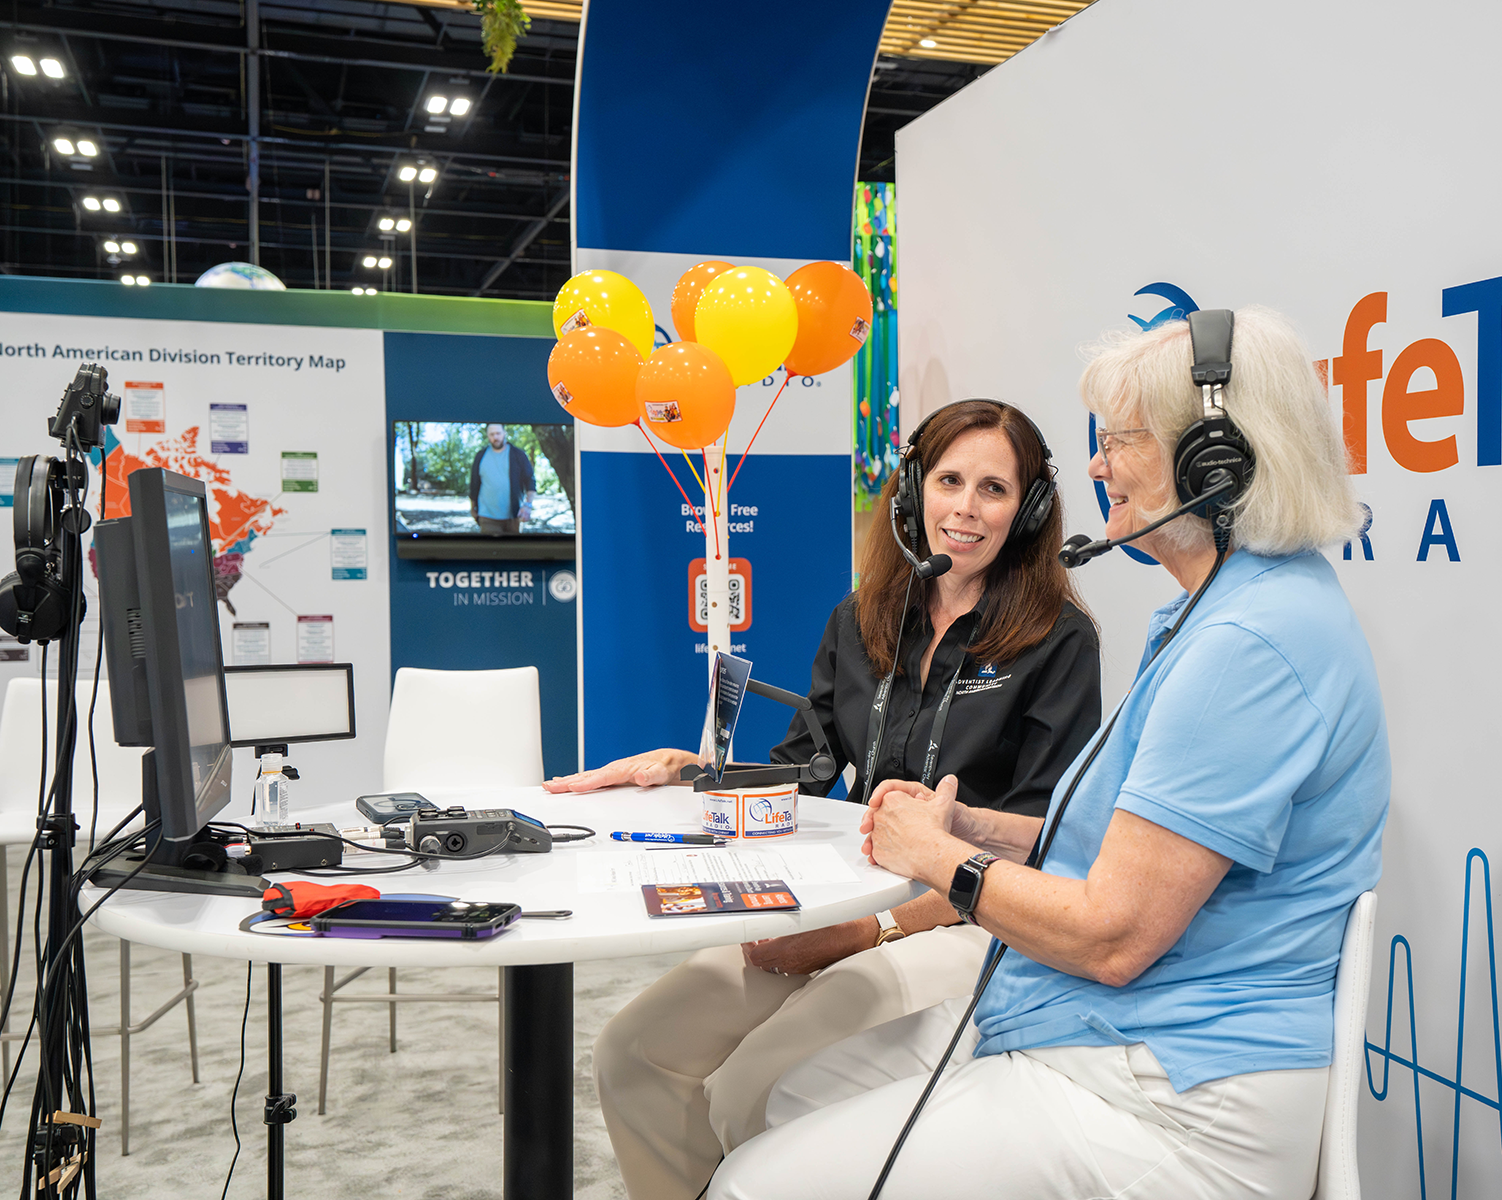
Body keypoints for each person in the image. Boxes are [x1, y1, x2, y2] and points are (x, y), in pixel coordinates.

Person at [708, 308, 1390, 1200]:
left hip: (1170, 1094)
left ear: (1210, 464)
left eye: (1121, 442)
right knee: (780, 1099)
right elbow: (1123, 849)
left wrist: (942, 859)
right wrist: (971, 825)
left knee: (757, 1183)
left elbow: (1113, 936)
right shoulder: (1225, 611)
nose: (1099, 466)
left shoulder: (1247, 648)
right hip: (1101, 1031)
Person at [544, 399, 1104, 1200]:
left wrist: (869, 930)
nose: (966, 509)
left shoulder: (1059, 641)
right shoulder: (862, 618)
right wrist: (689, 770)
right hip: (834, 905)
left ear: (1030, 509)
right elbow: (802, 777)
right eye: (949, 480)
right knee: (632, 1056)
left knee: (751, 1092)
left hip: (963, 923)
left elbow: (1045, 842)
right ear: (913, 490)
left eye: (994, 489)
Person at [468, 423, 533, 534]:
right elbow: (474, 484)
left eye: (498, 433)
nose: (495, 437)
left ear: (504, 433)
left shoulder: (518, 455)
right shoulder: (480, 456)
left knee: (512, 551)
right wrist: (473, 507)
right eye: (492, 434)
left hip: (513, 516)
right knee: (489, 550)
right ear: (488, 436)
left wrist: (528, 505)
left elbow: (530, 481)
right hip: (487, 516)